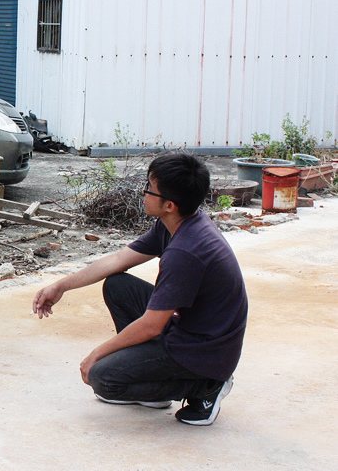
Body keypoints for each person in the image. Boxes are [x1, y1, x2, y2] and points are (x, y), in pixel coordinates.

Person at [32, 153, 248, 425]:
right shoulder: (178, 223)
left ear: (169, 204)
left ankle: (205, 388)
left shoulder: (185, 252)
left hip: (204, 350)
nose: (143, 193)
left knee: (103, 377)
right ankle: (153, 385)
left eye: (149, 188)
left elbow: (151, 326)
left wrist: (96, 355)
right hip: (192, 328)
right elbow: (118, 260)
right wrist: (61, 286)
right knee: (118, 285)